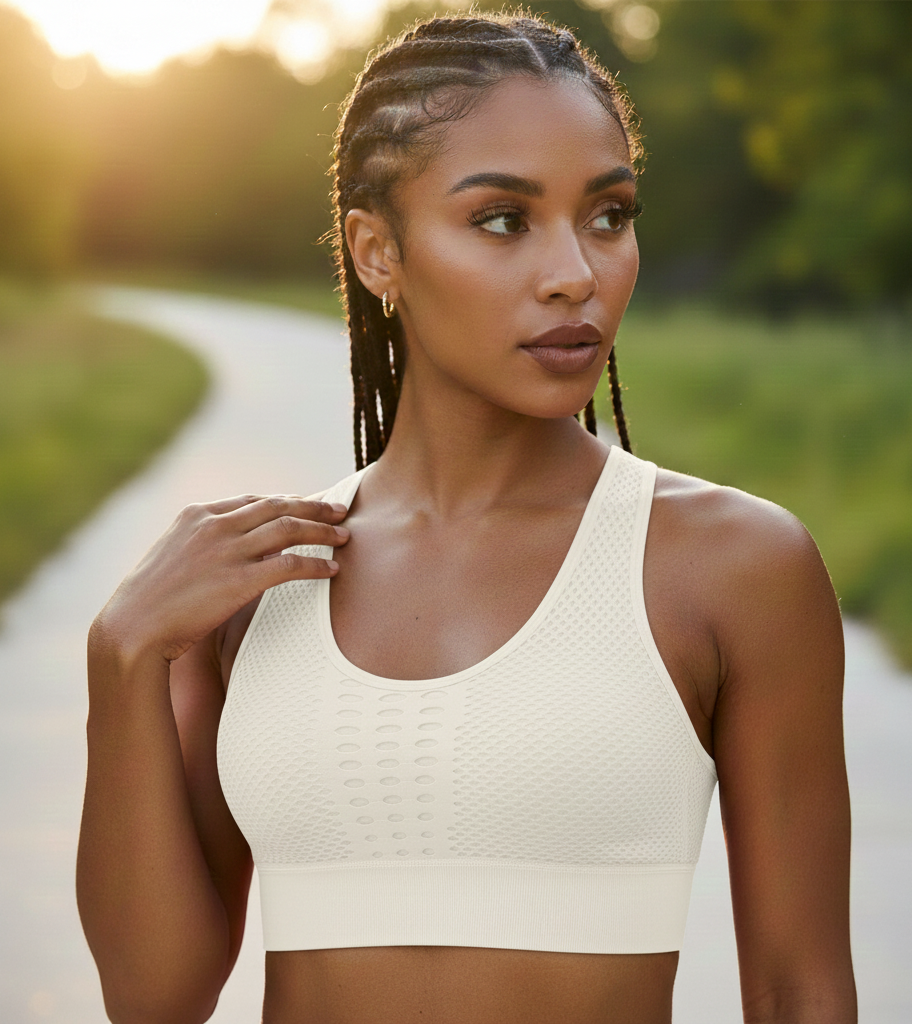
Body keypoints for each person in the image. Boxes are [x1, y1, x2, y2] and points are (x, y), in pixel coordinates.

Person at [76, 12, 856, 1024]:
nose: (575, 269)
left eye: (608, 214)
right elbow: (153, 995)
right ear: (375, 251)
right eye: (503, 219)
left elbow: (802, 989)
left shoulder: (734, 568)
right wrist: (121, 655)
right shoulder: (255, 581)